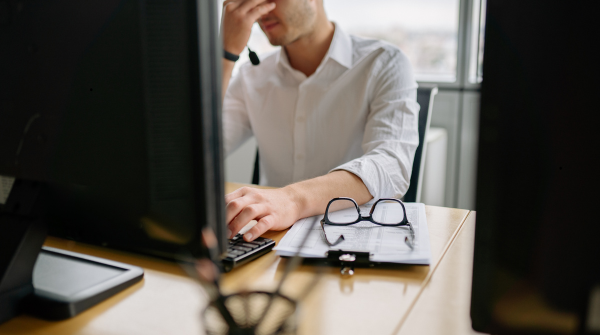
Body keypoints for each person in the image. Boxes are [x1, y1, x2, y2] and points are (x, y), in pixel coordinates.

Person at [221, 0, 419, 242]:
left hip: (354, 239)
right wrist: (225, 54)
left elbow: (391, 165)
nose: (258, 7)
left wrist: (291, 200)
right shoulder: (251, 75)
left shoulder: (384, 62)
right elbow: (191, 155)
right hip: (269, 240)